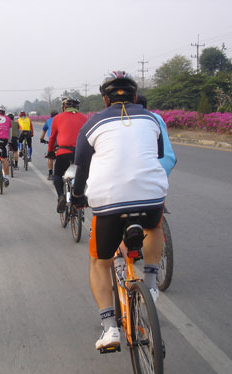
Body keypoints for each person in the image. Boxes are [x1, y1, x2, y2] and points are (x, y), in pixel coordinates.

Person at [71, 71, 168, 350]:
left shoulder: (92, 124)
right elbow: (157, 155)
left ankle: (109, 328)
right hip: (151, 197)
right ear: (135, 97)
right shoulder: (152, 119)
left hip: (110, 202)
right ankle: (151, 284)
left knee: (99, 262)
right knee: (153, 227)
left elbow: (81, 167)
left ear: (105, 99)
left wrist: (77, 196)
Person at [47, 96, 87, 213]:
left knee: (57, 175)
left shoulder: (57, 118)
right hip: (80, 153)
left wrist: (50, 152)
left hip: (63, 153)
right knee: (84, 175)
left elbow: (52, 138)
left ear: (64, 107)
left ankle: (61, 196)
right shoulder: (84, 118)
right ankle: (80, 196)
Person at [39, 110, 58, 180]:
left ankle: (50, 174)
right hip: (62, 140)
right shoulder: (61, 119)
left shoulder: (48, 121)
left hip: (52, 141)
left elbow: (44, 130)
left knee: (50, 157)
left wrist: (42, 139)